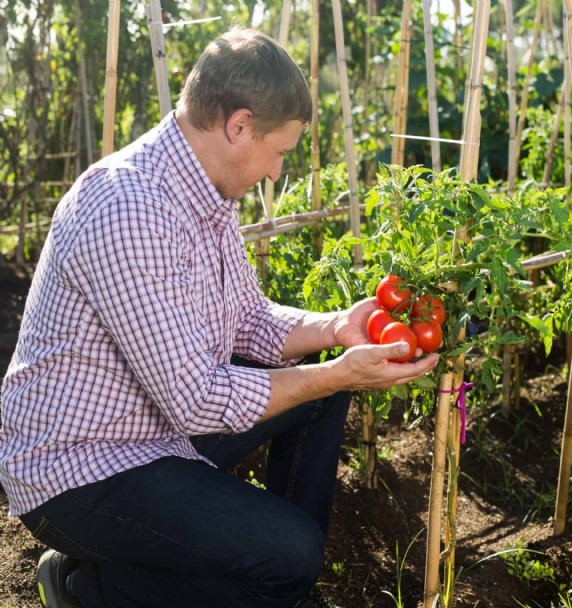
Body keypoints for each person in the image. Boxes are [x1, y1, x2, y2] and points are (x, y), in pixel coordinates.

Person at [0, 27, 437, 608]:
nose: (279, 172)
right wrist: (338, 373)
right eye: (279, 151)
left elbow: (249, 323)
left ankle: (276, 577)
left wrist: (335, 329)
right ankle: (86, 585)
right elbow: (197, 400)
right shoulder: (128, 206)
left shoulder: (207, 195)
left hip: (152, 430)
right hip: (78, 470)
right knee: (293, 550)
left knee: (318, 400)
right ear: (238, 125)